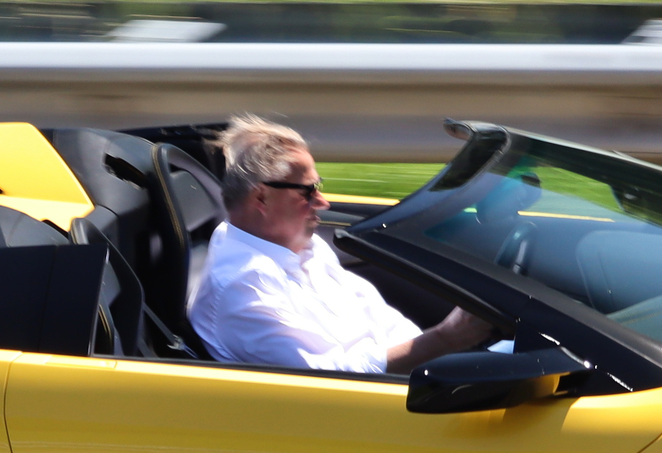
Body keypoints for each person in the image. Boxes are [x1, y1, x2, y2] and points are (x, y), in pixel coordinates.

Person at [188, 115, 491, 374]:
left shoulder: (302, 247)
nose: (323, 202)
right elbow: (330, 379)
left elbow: (382, 324)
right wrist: (447, 339)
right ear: (261, 198)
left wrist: (455, 354)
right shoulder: (243, 287)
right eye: (307, 192)